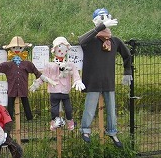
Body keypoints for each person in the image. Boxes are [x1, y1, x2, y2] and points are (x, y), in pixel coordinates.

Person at [78, 8, 132, 148]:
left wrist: (127, 71)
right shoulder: (91, 40)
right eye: (101, 18)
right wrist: (101, 27)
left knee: (111, 109)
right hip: (93, 80)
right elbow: (81, 40)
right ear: (94, 21)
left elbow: (127, 55)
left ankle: (112, 132)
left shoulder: (115, 41)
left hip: (109, 80)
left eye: (107, 17)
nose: (105, 20)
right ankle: (85, 130)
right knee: (90, 107)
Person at [0, 36, 57, 120]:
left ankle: (29, 117)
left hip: (23, 88)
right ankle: (9, 118)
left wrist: (43, 80)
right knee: (10, 103)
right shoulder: (8, 65)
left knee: (25, 101)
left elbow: (37, 72)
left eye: (20, 47)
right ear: (11, 48)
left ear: (23, 48)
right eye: (14, 47)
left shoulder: (27, 64)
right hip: (12, 88)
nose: (17, 49)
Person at [29, 37, 85, 131]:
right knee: (54, 109)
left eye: (64, 48)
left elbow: (75, 74)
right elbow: (44, 76)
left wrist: (77, 81)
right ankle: (54, 122)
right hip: (54, 90)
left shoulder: (69, 64)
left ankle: (69, 121)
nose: (61, 51)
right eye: (59, 48)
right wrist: (37, 84)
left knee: (68, 109)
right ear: (54, 50)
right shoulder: (49, 65)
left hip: (65, 91)